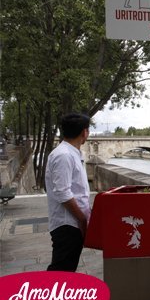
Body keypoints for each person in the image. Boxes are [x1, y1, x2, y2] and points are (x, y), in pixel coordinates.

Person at [45, 113, 91, 272]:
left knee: (67, 268)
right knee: (61, 270)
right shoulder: (64, 155)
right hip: (68, 224)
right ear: (85, 132)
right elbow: (63, 193)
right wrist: (82, 219)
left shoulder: (72, 153)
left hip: (73, 223)